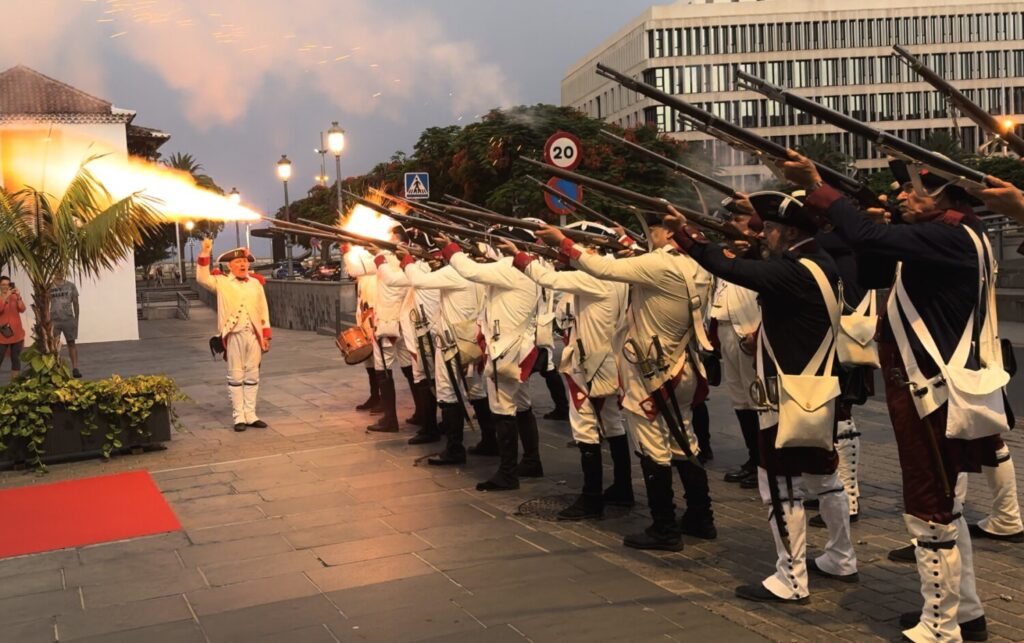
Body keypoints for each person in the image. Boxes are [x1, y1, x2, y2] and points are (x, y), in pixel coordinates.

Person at [783, 151, 1000, 641]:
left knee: (928, 508)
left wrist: (818, 183)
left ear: (943, 194)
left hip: (929, 392)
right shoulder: (954, 233)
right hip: (929, 389)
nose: (901, 195)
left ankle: (941, 626)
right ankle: (964, 612)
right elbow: (873, 264)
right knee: (945, 507)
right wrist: (863, 218)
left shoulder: (948, 234)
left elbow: (862, 237)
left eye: (913, 190)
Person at [666, 188, 858, 604]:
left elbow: (725, 266)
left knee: (778, 484)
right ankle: (841, 557)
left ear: (787, 233)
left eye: (770, 229)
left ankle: (791, 578)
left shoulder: (797, 270)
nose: (763, 235)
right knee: (825, 478)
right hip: (817, 389)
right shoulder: (821, 263)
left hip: (786, 394)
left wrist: (685, 234)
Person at [536, 215, 716, 551]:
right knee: (685, 442)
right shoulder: (698, 265)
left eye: (655, 230)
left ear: (667, 234)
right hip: (683, 366)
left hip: (651, 372)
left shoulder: (660, 264)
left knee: (653, 448)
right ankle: (700, 517)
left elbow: (602, 270)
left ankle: (664, 528)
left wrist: (562, 241)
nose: (652, 235)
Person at [503, 221, 634, 520]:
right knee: (613, 423)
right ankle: (623, 488)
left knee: (585, 427)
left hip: (588, 363)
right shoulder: (616, 272)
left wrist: (520, 255)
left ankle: (591, 499)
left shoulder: (597, 277)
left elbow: (547, 278)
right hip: (609, 360)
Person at [442, 229, 544, 491]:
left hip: (505, 350)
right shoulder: (530, 266)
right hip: (518, 348)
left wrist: (451, 248)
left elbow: (471, 271)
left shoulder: (512, 267)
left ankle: (507, 473)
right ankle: (532, 460)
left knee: (503, 410)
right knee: (522, 406)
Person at [397, 242, 498, 463]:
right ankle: (490, 440)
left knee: (447, 392)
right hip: (474, 338)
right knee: (477, 391)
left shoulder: (454, 272)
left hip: (452, 342)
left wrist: (407, 260)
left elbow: (419, 281)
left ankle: (454, 449)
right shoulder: (480, 271)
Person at [708, 206, 762, 489]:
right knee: (740, 399)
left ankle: (764, 462)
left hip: (750, 330)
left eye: (737, 220)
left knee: (757, 399)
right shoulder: (726, 252)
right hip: (727, 328)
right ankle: (754, 457)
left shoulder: (759, 253)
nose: (730, 224)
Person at [375, 229, 442, 445]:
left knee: (429, 380)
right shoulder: (424, 268)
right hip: (418, 332)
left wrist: (379, 257)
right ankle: (429, 423)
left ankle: (431, 428)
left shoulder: (422, 270)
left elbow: (393, 281)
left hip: (424, 333)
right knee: (425, 379)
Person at [196, 240, 271, 432]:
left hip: (253, 334)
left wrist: (266, 335)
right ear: (230, 266)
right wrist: (205, 251)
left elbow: (263, 310)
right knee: (236, 375)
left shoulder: (256, 283)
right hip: (233, 334)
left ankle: (251, 414)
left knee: (253, 374)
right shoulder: (221, 282)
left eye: (245, 261)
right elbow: (202, 278)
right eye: (238, 262)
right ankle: (239, 416)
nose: (243, 264)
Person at [343, 244, 382, 414]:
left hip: (375, 320)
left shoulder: (374, 262)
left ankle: (383, 399)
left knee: (381, 363)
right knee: (370, 362)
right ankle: (375, 396)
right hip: (365, 320)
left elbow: (354, 268)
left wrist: (347, 252)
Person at [49, 274, 82, 378]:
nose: (60, 271)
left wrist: (76, 318)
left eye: (62, 269)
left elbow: (76, 303)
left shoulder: (71, 286)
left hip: (68, 319)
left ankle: (75, 368)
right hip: (54, 320)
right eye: (58, 269)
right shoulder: (49, 286)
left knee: (71, 343)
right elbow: (45, 303)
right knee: (54, 345)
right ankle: (56, 367)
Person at [0, 276, 26, 379]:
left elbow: (22, 309)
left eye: (8, 284)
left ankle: (14, 386)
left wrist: (19, 297)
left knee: (16, 360)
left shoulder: (14, 296)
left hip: (17, 334)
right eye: (3, 285)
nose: (6, 287)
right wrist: (6, 297)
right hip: (2, 335)